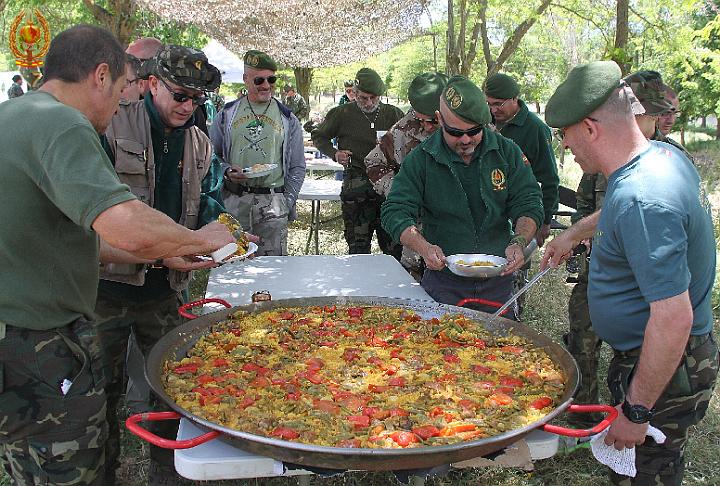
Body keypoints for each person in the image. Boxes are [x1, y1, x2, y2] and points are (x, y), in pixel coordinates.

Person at [0, 24, 233, 486]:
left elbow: (69, 236)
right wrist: (200, 239)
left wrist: (163, 256)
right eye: (125, 85)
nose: (123, 99)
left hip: (19, 333)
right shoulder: (62, 122)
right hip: (40, 338)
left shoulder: (16, 114)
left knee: (29, 464)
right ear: (101, 75)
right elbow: (126, 225)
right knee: (70, 469)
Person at [542, 60, 717, 485]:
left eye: (565, 134)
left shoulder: (643, 198)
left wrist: (636, 411)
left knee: (646, 475)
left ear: (590, 127)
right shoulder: (653, 159)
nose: (565, 147)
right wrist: (573, 234)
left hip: (665, 364)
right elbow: (615, 212)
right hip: (655, 356)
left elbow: (673, 317)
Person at [97, 44, 229, 484]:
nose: (188, 106)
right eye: (180, 95)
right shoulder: (110, 128)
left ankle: (165, 472)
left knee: (169, 388)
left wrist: (221, 230)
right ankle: (102, 471)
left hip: (165, 289)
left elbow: (206, 200)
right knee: (100, 392)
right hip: (106, 288)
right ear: (152, 84)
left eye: (198, 99)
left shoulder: (199, 141)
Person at [381, 76, 543, 318]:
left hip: (498, 280)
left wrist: (519, 241)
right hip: (444, 282)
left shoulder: (507, 152)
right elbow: (395, 211)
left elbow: (529, 202)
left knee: (501, 351)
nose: (466, 140)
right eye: (455, 132)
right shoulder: (422, 159)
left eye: (474, 131)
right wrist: (423, 247)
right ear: (439, 120)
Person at [211, 49, 305, 256]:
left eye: (271, 79)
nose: (266, 85)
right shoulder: (227, 115)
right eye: (259, 80)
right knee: (233, 264)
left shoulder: (288, 119)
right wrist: (226, 171)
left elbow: (298, 166)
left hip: (273, 202)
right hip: (235, 201)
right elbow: (211, 156)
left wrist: (286, 201)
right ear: (246, 79)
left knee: (272, 270)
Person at [312, 68, 404, 257]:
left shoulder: (394, 114)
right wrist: (334, 153)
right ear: (354, 93)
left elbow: (411, 143)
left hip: (389, 189)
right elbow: (319, 136)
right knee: (358, 250)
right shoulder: (342, 113)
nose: (369, 103)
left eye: (374, 97)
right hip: (356, 188)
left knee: (394, 249)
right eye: (363, 98)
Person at [365, 72, 448, 279]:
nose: (428, 127)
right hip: (417, 242)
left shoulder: (471, 130)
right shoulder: (403, 128)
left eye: (434, 121)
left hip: (458, 239)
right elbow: (374, 162)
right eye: (422, 120)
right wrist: (401, 191)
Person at [484, 73, 559, 247]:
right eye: (489, 104)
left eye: (498, 104)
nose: (493, 110)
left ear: (514, 98)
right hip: (490, 212)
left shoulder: (536, 129)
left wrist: (545, 220)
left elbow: (549, 178)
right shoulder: (485, 122)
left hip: (520, 212)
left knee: (515, 264)